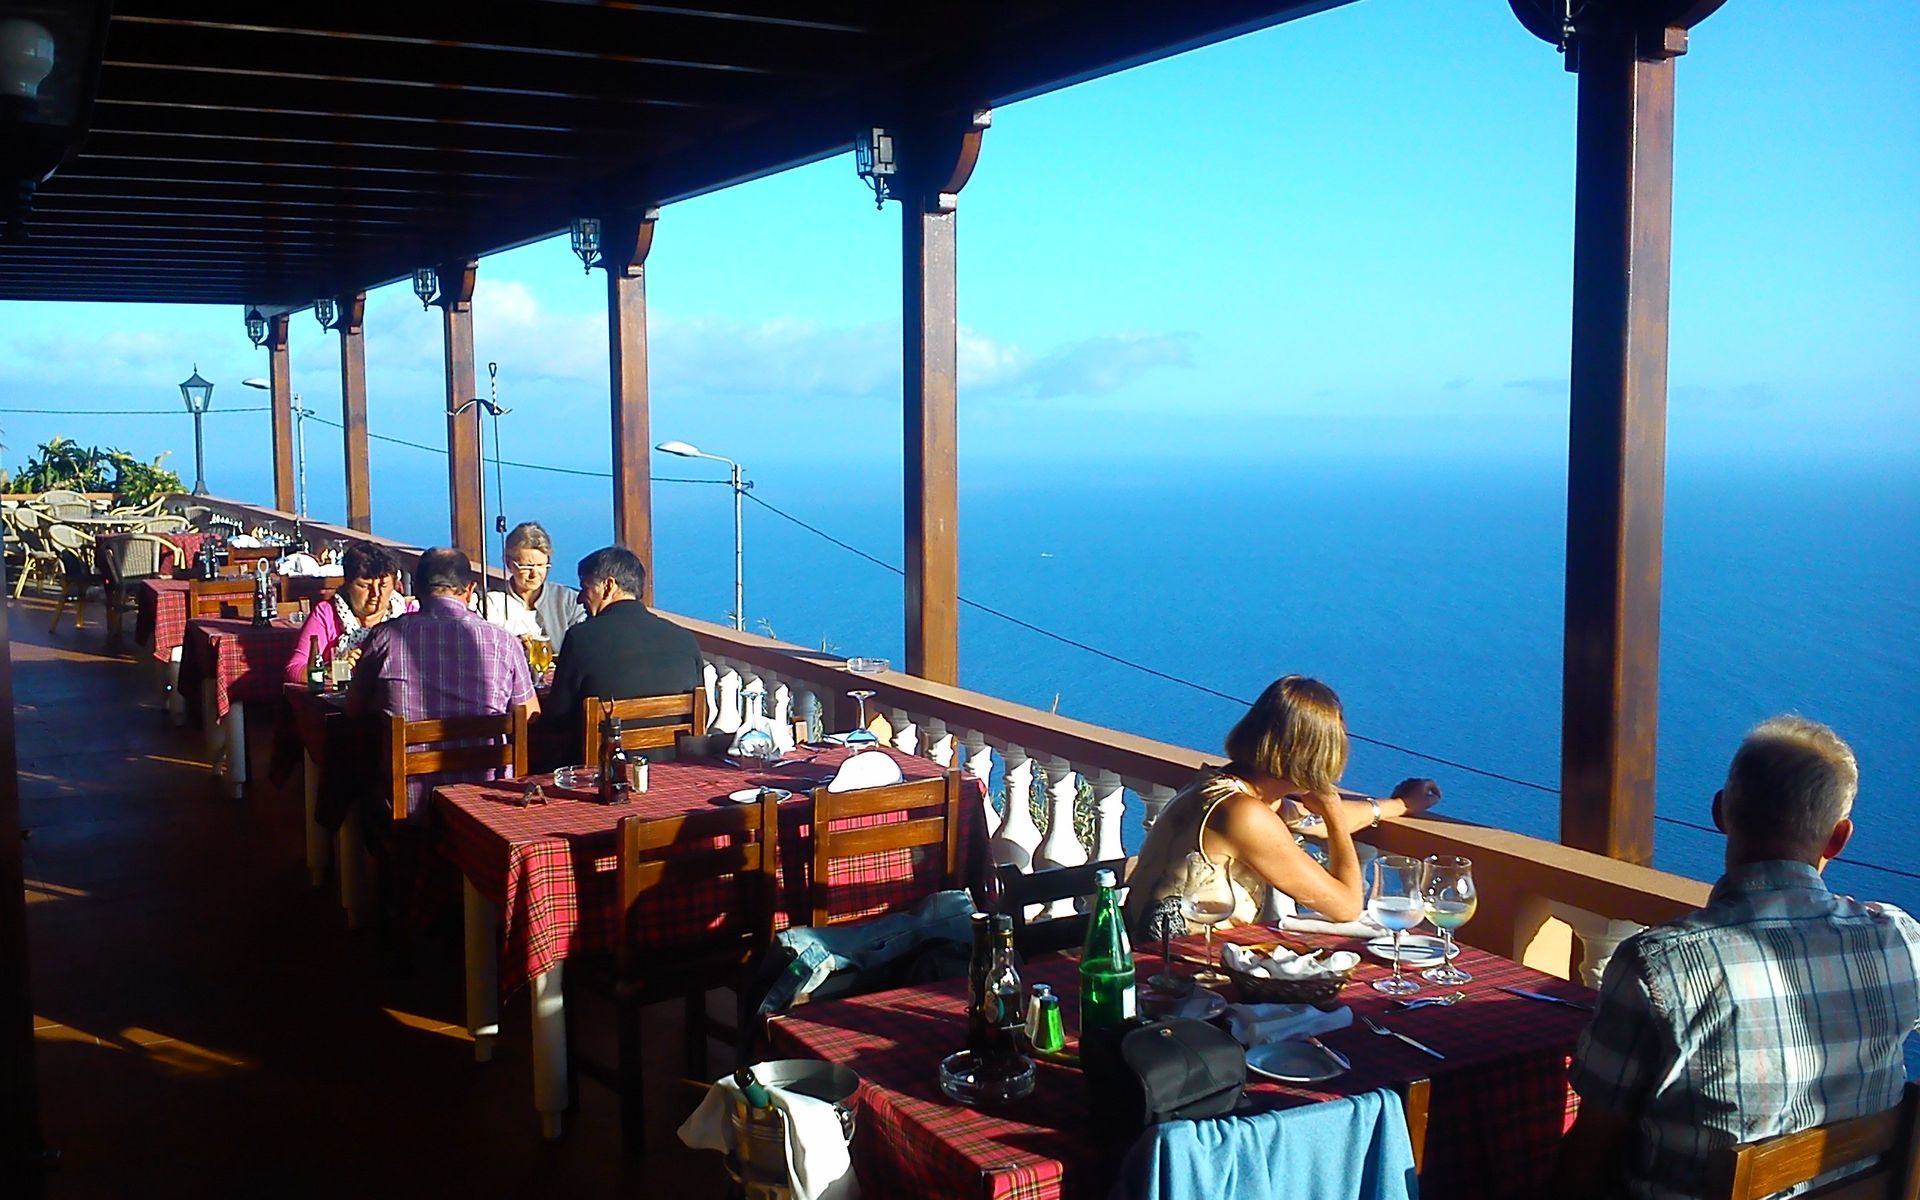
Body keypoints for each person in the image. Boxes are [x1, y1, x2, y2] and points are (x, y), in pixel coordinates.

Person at [1551, 716, 1920, 1200]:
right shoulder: (1901, 943)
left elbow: (1593, 1145)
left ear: (1721, 811)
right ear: (1838, 838)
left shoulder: (1659, 966)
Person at [1122, 674, 1441, 941]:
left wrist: (1397, 805)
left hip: (1148, 952)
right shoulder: (1246, 815)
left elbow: (1307, 820)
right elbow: (1346, 906)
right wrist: (1332, 810)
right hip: (1179, 970)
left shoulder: (1218, 787)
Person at [346, 547, 540, 818]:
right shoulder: (504, 642)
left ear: (417, 586)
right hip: (490, 802)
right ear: (470, 589)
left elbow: (354, 708)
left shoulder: (385, 639)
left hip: (410, 807)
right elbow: (529, 713)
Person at [540, 546, 702, 768]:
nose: (579, 599)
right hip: (672, 770)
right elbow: (704, 712)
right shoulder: (685, 640)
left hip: (604, 775)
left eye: (585, 587)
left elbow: (557, 719)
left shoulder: (581, 639)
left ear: (608, 586)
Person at [283, 541, 415, 683]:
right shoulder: (326, 614)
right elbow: (294, 670)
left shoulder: (408, 613)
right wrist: (330, 670)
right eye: (365, 586)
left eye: (383, 585)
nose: (375, 593)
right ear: (347, 584)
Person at [480, 521, 584, 654]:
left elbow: (581, 647)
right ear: (508, 563)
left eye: (541, 565)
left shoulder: (568, 600)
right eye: (527, 567)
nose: (534, 574)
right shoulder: (492, 604)